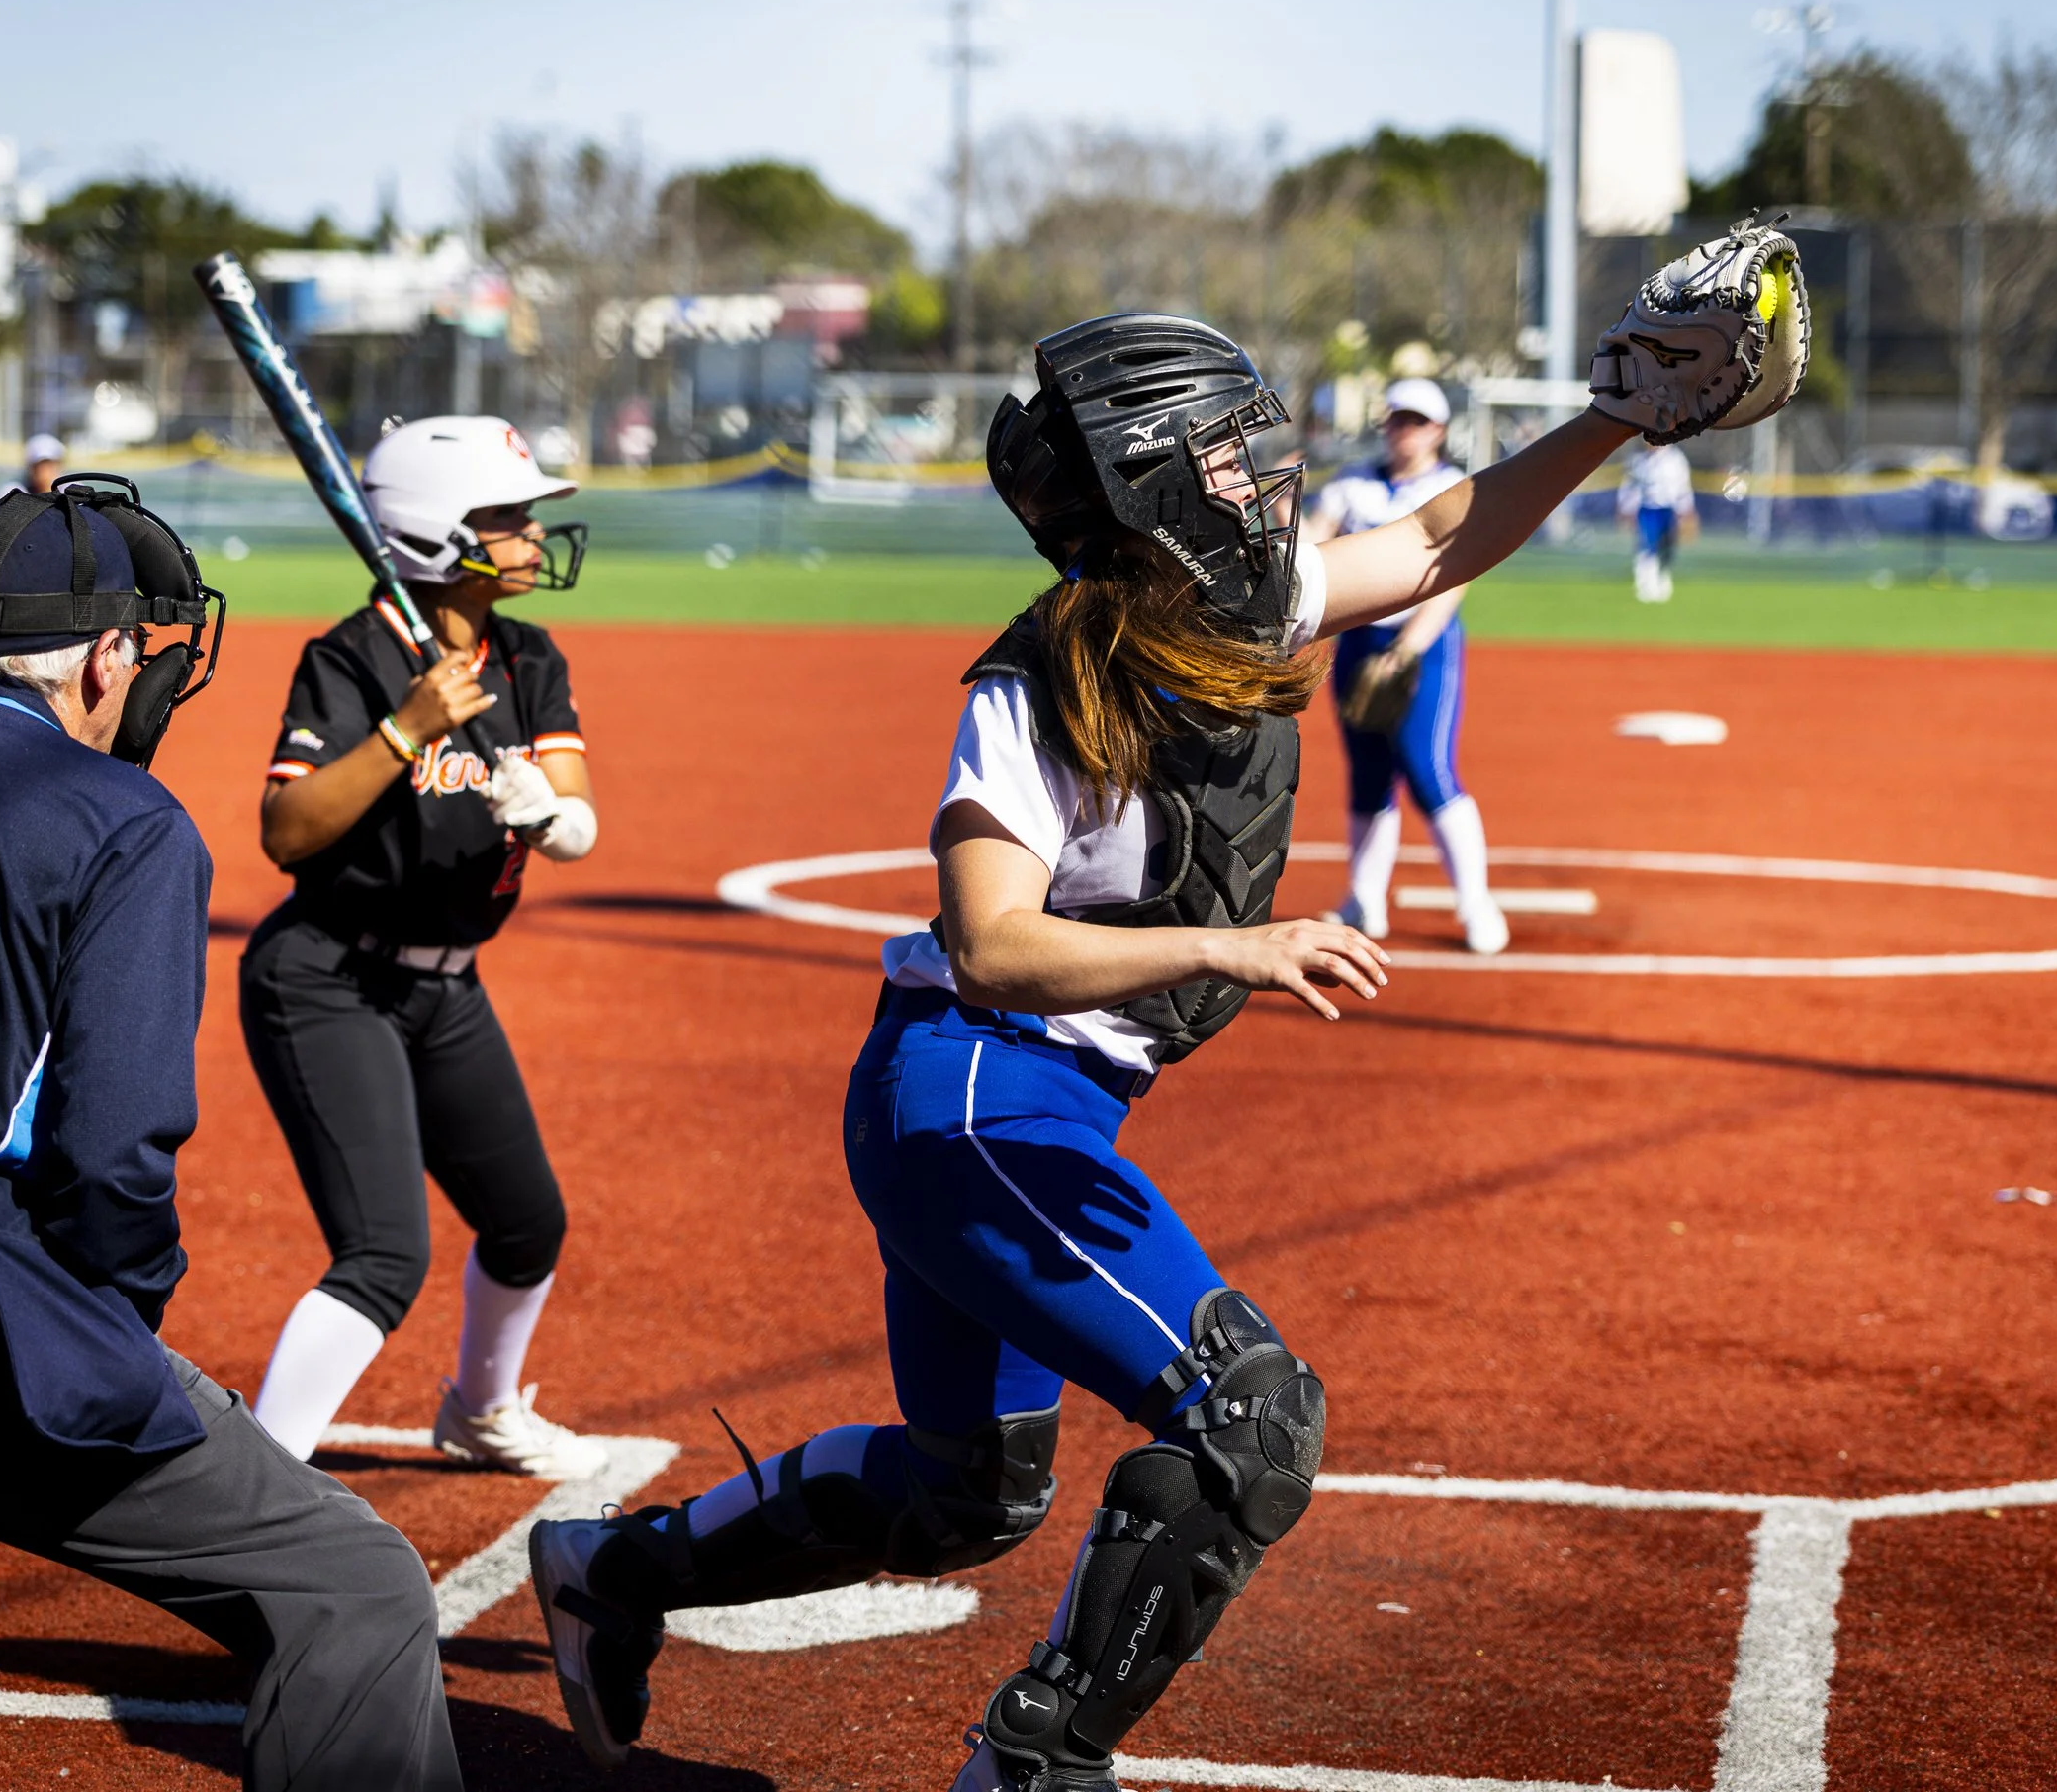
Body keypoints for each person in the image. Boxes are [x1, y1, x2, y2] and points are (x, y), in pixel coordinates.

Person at [526, 314, 1646, 1788]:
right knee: (1254, 1417)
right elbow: (989, 938)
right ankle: (1036, 1759)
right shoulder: (1037, 682)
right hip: (974, 1098)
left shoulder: (1240, 599)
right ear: (1150, 490)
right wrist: (1226, 945)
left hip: (1032, 1104)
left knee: (963, 1495)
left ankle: (612, 1575)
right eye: (1232, 452)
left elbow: (1443, 533)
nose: (1271, 470)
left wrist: (1619, 414)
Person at [0, 476, 461, 1792]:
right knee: (348, 1582)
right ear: (107, 655)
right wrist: (111, 1324)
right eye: (147, 652)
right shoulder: (123, 818)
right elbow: (115, 1148)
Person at [244, 415, 610, 1479]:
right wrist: (404, 730)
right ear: (435, 534)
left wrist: (547, 812)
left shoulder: (527, 658)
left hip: (447, 986)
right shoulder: (351, 660)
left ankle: (480, 1410)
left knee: (525, 1222)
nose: (533, 534)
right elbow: (285, 831)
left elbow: (581, 821)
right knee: (383, 1256)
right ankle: (257, 1488)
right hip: (326, 977)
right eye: (506, 517)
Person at [1308, 376, 1509, 955]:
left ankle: (1476, 903)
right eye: (1398, 419)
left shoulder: (1451, 488)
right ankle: (1364, 898)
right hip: (1358, 645)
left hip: (1424, 647)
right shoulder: (1351, 484)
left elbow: (1454, 580)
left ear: (1439, 431)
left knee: (1428, 771)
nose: (1404, 430)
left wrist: (1408, 649)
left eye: (1417, 421)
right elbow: (1313, 546)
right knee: (1369, 772)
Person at [1618, 437, 1695, 601]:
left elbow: (1683, 486)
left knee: (1667, 547)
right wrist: (1626, 508)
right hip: (1647, 509)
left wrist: (1686, 510)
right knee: (1647, 546)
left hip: (1668, 509)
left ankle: (1663, 579)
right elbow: (1630, 486)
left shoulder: (1676, 459)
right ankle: (1645, 584)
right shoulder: (1638, 460)